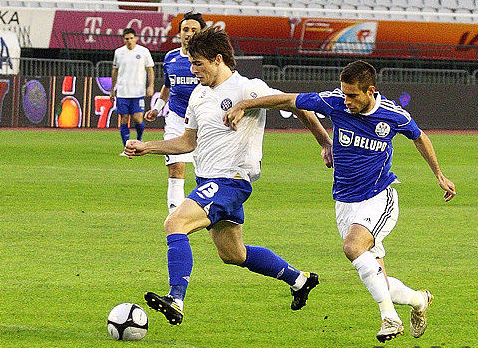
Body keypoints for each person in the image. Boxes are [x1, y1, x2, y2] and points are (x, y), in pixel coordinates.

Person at [224, 60, 456, 343]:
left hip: (378, 195)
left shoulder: (392, 115)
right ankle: (419, 300)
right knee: (377, 277)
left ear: (370, 91)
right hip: (345, 202)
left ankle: (390, 318)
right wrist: (245, 105)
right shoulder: (334, 102)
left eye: (353, 95)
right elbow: (289, 99)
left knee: (352, 246)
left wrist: (439, 175)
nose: (346, 101)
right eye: (344, 94)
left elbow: (420, 138)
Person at [124, 27, 332, 326]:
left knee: (175, 222)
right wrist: (148, 146)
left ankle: (176, 298)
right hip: (208, 181)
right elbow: (188, 142)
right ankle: (299, 280)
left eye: (198, 63)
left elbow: (294, 104)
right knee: (232, 253)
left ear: (218, 59)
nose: (193, 70)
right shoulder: (198, 95)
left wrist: (324, 142)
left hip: (230, 181)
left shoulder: (247, 88)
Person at [144, 12, 206, 213]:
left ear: (201, 33)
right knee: (175, 168)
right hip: (177, 120)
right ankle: (175, 216)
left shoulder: (209, 59)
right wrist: (157, 108)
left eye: (193, 30)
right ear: (179, 33)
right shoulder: (170, 58)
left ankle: (205, 212)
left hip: (204, 123)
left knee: (204, 172)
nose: (188, 34)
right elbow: (167, 87)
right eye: (185, 29)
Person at [110, 28, 154, 153]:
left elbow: (150, 69)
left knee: (138, 118)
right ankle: (126, 147)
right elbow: (115, 71)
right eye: (126, 38)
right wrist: (112, 89)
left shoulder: (144, 51)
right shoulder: (119, 52)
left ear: (135, 38)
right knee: (124, 118)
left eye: (131, 38)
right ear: (123, 39)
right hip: (123, 92)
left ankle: (139, 139)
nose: (129, 41)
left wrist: (150, 86)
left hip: (138, 92)